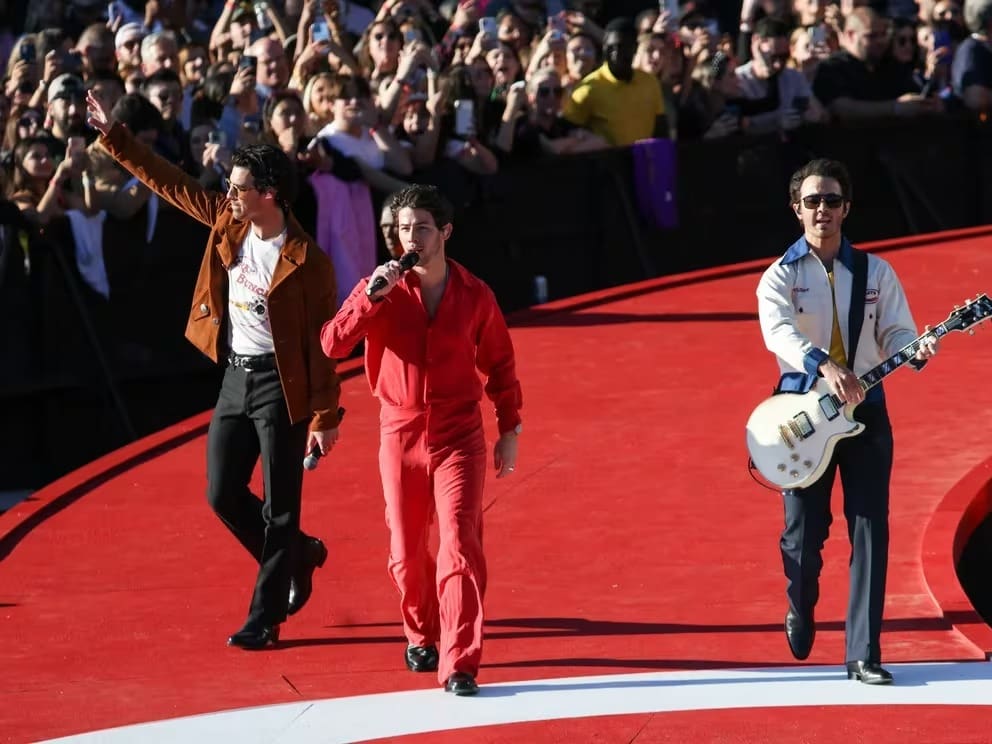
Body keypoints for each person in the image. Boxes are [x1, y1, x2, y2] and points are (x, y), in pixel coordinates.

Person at [85, 87, 343, 650]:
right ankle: (298, 554)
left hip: (283, 385)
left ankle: (265, 617)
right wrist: (114, 136)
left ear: (268, 194)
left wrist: (326, 416)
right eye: (228, 187)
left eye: (238, 187)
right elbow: (171, 182)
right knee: (222, 492)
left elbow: (324, 345)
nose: (228, 194)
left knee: (280, 508)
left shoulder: (308, 263)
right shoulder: (227, 223)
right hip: (234, 376)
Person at [321, 184, 523, 696]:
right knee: (406, 552)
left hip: (459, 433)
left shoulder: (476, 294)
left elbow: (499, 362)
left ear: (446, 232)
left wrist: (511, 427)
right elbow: (332, 344)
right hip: (400, 430)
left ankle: (459, 661)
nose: (410, 237)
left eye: (421, 228)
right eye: (403, 228)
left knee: (459, 543)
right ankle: (420, 632)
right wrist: (370, 299)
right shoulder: (380, 287)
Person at [755, 158, 939, 685]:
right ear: (797, 210)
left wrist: (917, 349)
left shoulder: (876, 272)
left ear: (847, 208)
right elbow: (779, 335)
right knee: (802, 536)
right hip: (802, 416)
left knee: (870, 528)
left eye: (832, 201)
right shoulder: (779, 277)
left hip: (867, 414)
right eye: (813, 201)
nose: (823, 210)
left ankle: (863, 652)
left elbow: (898, 333)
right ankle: (801, 601)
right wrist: (824, 365)